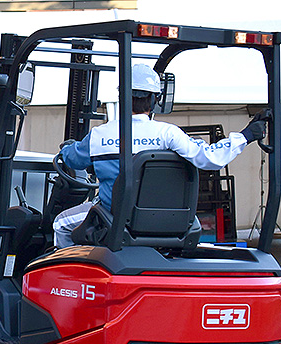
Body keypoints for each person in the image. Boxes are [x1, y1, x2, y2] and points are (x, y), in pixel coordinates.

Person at [52, 64, 268, 248]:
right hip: (165, 219)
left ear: (122, 97)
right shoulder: (168, 134)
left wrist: (67, 148)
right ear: (155, 99)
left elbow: (72, 160)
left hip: (113, 217)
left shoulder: (100, 135)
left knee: (60, 225)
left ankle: (73, 281)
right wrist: (246, 135)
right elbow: (209, 158)